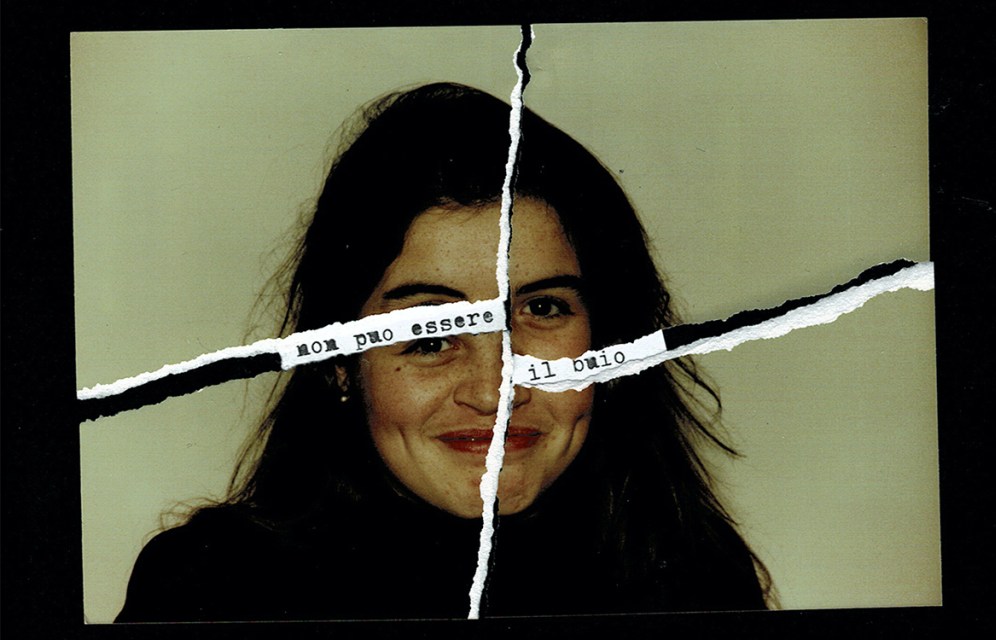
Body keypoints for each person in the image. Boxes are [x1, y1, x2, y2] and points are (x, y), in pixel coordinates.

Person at [116, 82, 771, 622]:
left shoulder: (698, 577)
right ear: (339, 364)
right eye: (430, 334)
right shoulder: (210, 591)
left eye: (542, 309)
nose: (494, 389)